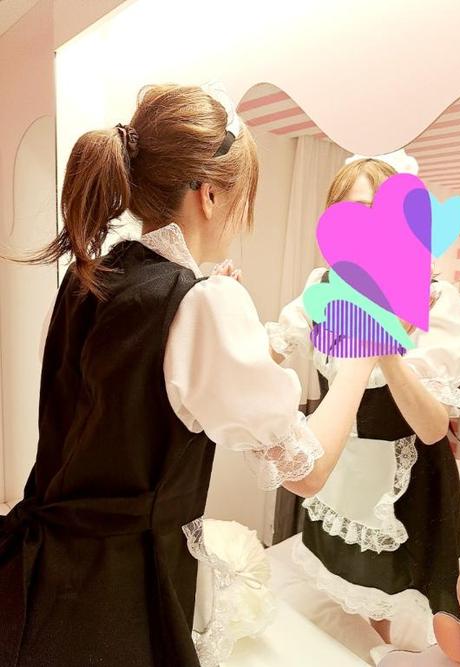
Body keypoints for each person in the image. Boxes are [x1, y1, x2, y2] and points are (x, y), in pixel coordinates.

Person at [0, 84, 381, 667]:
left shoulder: (92, 276)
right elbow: (307, 471)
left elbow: (143, 394)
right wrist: (363, 354)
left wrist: (219, 315)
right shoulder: (199, 303)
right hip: (118, 599)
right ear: (210, 194)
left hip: (43, 568)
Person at [266, 158, 460, 649]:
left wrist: (387, 348)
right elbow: (272, 350)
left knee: (399, 603)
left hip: (404, 486)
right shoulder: (321, 287)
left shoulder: (433, 298)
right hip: (338, 468)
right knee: (345, 595)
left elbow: (432, 428)